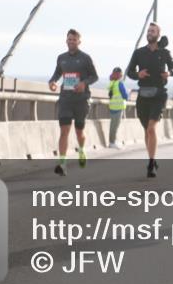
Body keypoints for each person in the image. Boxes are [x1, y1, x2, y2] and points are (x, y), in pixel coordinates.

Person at [126, 22, 173, 178]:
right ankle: (152, 159)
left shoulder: (165, 53)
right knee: (146, 130)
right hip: (143, 95)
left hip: (159, 94)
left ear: (158, 34)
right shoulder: (139, 53)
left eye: (152, 31)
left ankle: (150, 163)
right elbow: (129, 71)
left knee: (151, 128)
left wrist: (169, 72)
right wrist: (137, 74)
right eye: (148, 31)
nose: (149, 33)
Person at [48, 29, 99, 175]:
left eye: (74, 40)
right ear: (66, 41)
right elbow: (57, 73)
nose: (71, 42)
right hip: (65, 99)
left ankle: (82, 150)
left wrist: (83, 83)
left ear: (79, 42)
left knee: (79, 131)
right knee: (64, 131)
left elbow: (94, 76)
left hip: (81, 100)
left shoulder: (85, 58)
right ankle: (62, 164)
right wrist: (52, 82)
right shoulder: (61, 58)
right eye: (69, 39)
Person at [107, 67, 129, 149]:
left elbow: (110, 94)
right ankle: (112, 142)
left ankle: (111, 142)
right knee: (115, 126)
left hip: (112, 106)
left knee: (112, 125)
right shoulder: (120, 83)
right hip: (118, 107)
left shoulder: (112, 83)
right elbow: (125, 96)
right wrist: (128, 94)